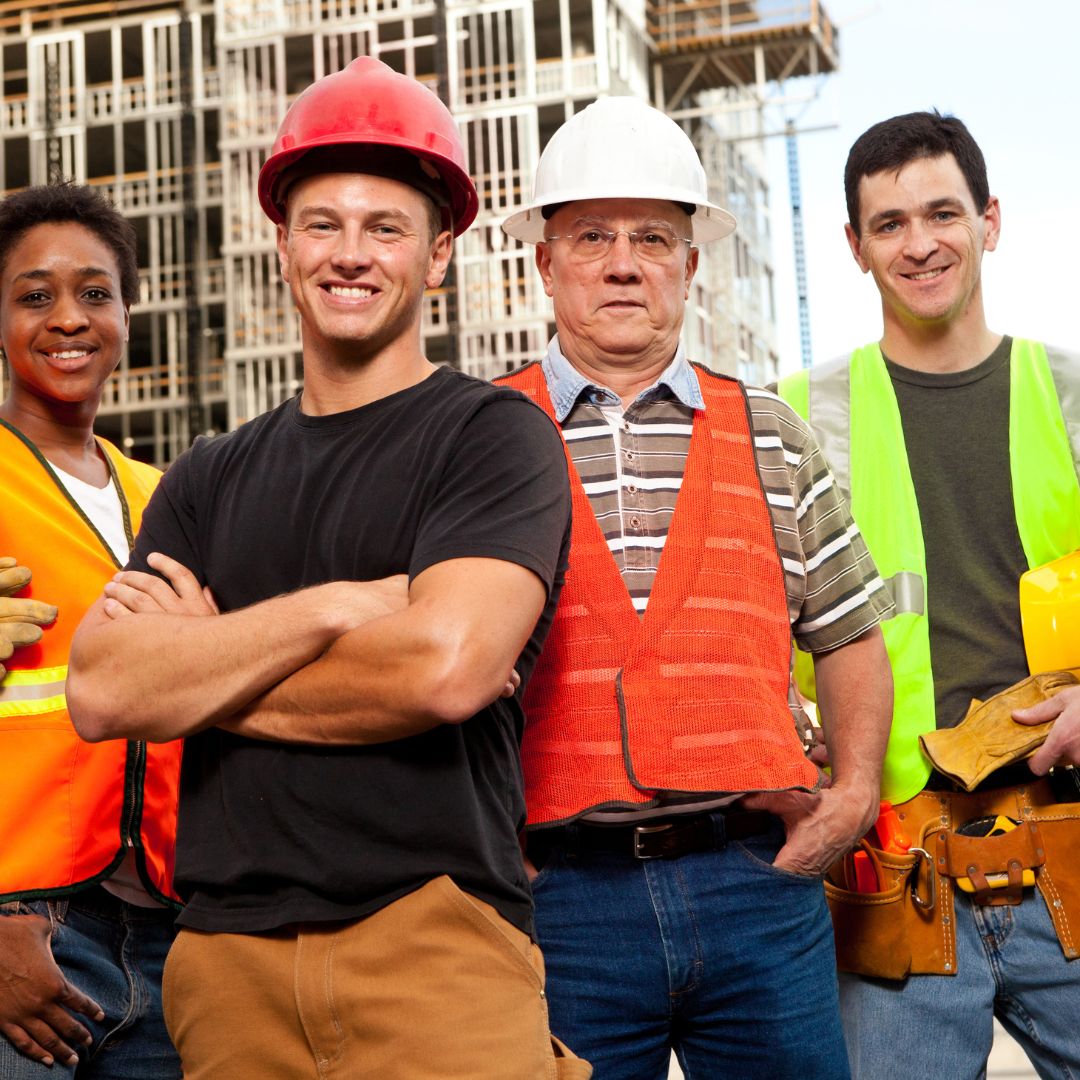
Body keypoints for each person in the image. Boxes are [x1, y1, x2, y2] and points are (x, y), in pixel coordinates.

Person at [66, 58, 588, 1080]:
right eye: (323, 224)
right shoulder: (206, 479)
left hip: (435, 951)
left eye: (385, 228)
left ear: (439, 255)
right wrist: (342, 606)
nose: (351, 255)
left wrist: (205, 671)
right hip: (224, 971)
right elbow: (104, 687)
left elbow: (444, 668)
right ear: (282, 246)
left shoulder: (493, 438)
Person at [495, 95, 894, 1080]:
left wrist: (851, 798)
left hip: (758, 883)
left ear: (691, 265)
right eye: (591, 236)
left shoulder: (771, 434)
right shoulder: (478, 439)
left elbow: (849, 634)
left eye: (652, 238)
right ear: (543, 262)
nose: (624, 263)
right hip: (558, 900)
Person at [777, 110, 1080, 1078]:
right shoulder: (795, 416)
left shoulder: (1072, 393)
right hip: (894, 874)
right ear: (856, 248)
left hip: (1071, 848)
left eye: (941, 213)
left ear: (990, 220)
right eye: (890, 224)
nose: (920, 244)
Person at [0, 184, 182, 1078]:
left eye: (96, 293)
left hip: (161, 929)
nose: (69, 318)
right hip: (22, 929)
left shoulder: (167, 498)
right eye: (35, 295)